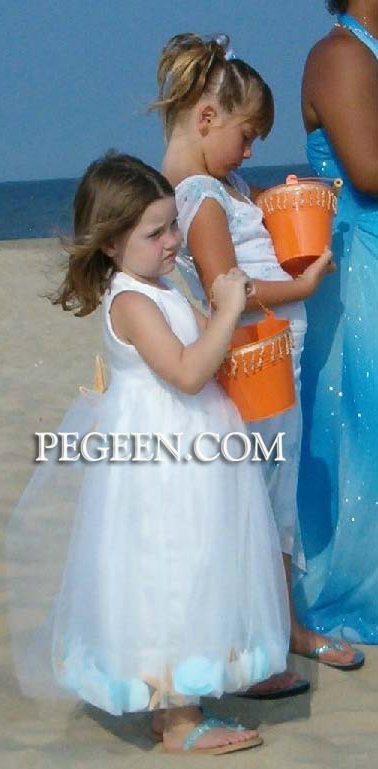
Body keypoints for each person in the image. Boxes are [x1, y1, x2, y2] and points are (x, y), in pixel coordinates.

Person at [7, 151, 291, 755]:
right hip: (162, 463)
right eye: (155, 232)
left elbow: (206, 342)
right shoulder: (130, 302)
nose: (172, 241)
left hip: (198, 453)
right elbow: (188, 372)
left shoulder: (162, 286)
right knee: (168, 571)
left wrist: (226, 308)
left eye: (172, 225)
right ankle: (180, 720)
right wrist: (229, 310)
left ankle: (178, 702)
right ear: (111, 244)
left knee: (198, 565)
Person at [150, 32, 361, 682]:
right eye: (245, 136)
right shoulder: (198, 196)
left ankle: (284, 626)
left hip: (276, 360)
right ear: (206, 119)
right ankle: (257, 646)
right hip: (251, 365)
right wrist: (298, 287)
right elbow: (226, 288)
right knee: (256, 502)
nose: (249, 151)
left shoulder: (225, 181)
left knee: (279, 501)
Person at [296, 0, 378, 646]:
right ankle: (350, 588)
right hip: (358, 267)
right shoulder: (341, 55)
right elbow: (367, 170)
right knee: (359, 421)